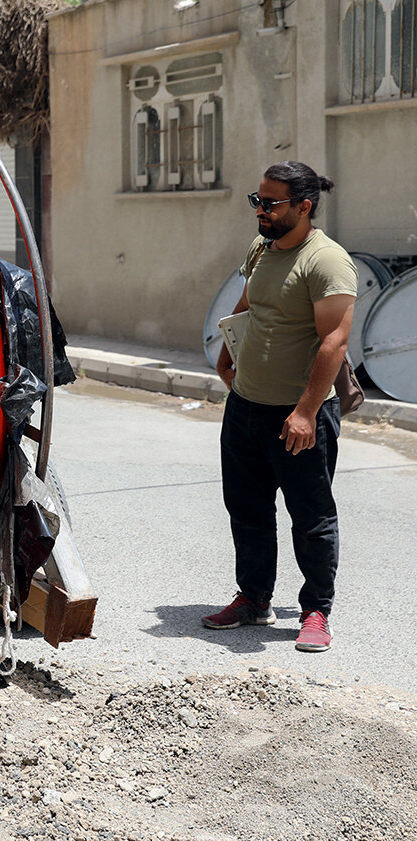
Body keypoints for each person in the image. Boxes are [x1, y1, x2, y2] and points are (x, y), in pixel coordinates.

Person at [205, 161, 358, 653]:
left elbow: (334, 339)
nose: (261, 211)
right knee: (246, 510)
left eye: (270, 204)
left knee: (311, 517)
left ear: (304, 206)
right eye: (257, 201)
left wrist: (306, 412)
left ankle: (316, 610)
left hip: (298, 415)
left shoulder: (327, 261)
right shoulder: (263, 247)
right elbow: (251, 305)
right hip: (245, 406)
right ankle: (254, 598)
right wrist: (227, 356)